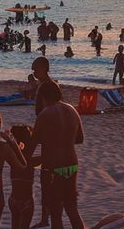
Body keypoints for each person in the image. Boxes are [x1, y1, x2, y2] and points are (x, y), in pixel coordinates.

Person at [29, 78, 85, 229]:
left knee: (56, 213)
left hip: (53, 168)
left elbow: (30, 149)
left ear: (42, 97)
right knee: (72, 209)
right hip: (72, 164)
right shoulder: (72, 110)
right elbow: (79, 139)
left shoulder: (44, 115)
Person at [9, 124, 39, 229]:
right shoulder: (31, 161)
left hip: (13, 199)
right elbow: (49, 157)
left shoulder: (13, 158)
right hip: (26, 201)